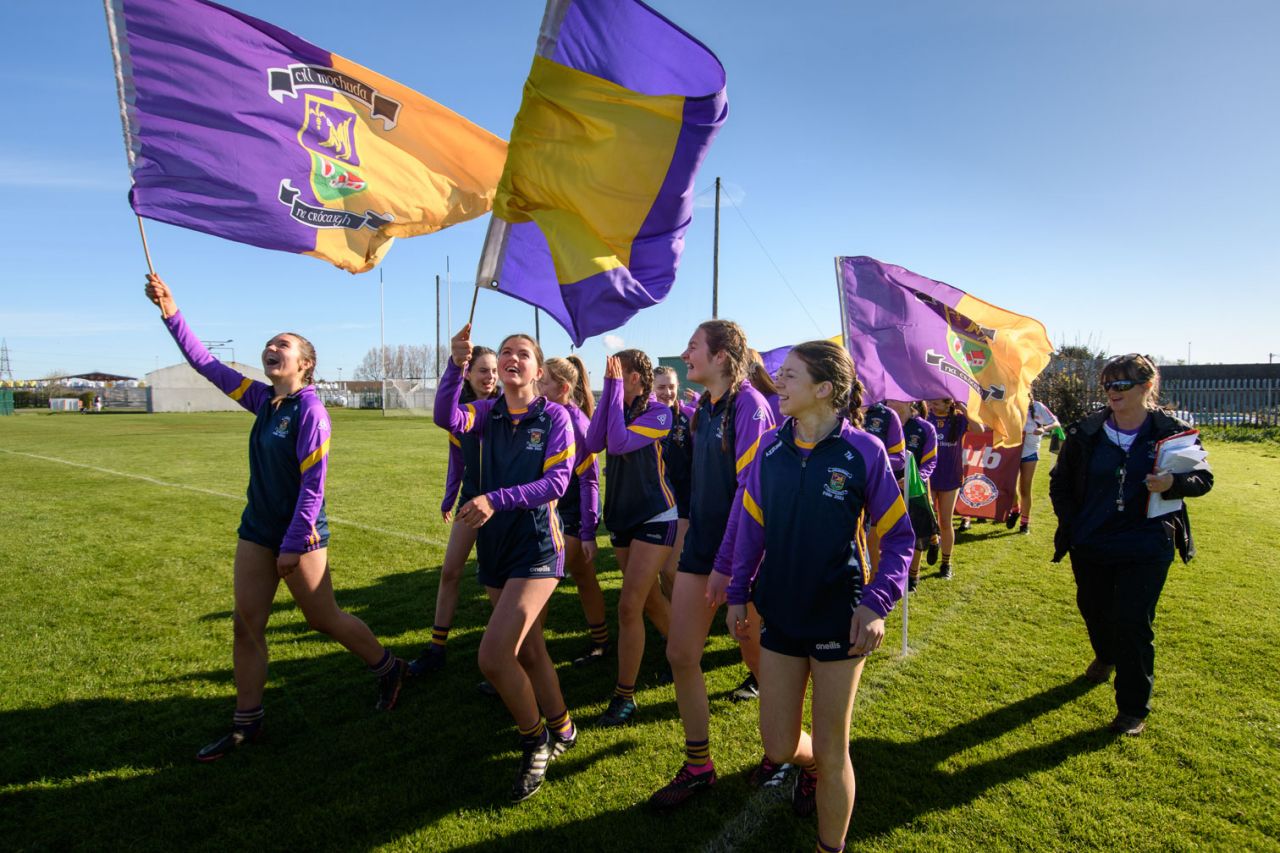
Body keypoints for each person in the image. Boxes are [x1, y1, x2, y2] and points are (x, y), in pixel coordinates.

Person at [143, 274, 406, 763]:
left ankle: (388, 666)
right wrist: (171, 312)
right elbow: (204, 363)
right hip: (257, 530)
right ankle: (248, 722)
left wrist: (293, 542)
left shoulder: (311, 412)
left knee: (321, 618)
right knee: (247, 625)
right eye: (268, 344)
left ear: (304, 364)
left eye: (281, 345)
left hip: (298, 536)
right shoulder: (262, 400)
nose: (270, 348)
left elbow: (314, 487)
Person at [725, 340, 913, 853]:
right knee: (779, 745)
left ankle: (830, 847)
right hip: (780, 612)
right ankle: (802, 769)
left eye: (789, 375)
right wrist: (738, 592)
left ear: (824, 389)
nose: (777, 382)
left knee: (834, 750)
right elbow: (751, 528)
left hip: (840, 617)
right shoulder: (769, 447)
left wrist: (877, 602)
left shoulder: (865, 452)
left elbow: (899, 537)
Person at [434, 324, 579, 801]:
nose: (513, 358)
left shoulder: (556, 417)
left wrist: (495, 498)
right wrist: (456, 366)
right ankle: (563, 727)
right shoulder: (483, 412)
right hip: (493, 549)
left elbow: (556, 484)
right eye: (506, 353)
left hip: (536, 549)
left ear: (538, 371)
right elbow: (445, 418)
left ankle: (534, 740)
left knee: (494, 656)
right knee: (530, 650)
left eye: (523, 354)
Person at [1049, 353, 1212, 736]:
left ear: (1146, 386)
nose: (1112, 392)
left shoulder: (1174, 432)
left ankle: (1133, 708)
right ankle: (1105, 656)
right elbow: (1060, 483)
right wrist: (1071, 525)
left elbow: (1203, 479)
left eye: (1121, 385)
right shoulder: (1085, 432)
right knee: (1093, 607)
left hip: (1147, 543)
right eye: (1107, 385)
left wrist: (1174, 484)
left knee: (1133, 621)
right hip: (1092, 541)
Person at [650, 320, 774, 809]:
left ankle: (788, 754)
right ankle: (699, 765)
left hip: (744, 557)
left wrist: (733, 568)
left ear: (722, 356)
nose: (686, 354)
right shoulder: (703, 407)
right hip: (702, 551)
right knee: (681, 655)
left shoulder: (750, 407)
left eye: (694, 347)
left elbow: (752, 495)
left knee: (758, 659)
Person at [584, 350, 675, 726]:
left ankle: (625, 695)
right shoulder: (615, 402)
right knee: (651, 601)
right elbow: (593, 442)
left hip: (656, 514)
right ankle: (684, 652)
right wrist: (609, 392)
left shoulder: (660, 412)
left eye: (618, 373)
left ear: (635, 377)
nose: (612, 377)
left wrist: (614, 386)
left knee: (628, 607)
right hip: (621, 518)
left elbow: (618, 443)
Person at [409, 346, 499, 677]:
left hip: (502, 505)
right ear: (469, 374)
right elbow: (457, 459)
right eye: (483, 371)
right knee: (450, 572)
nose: (490, 377)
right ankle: (436, 648)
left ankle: (505, 650)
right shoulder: (461, 412)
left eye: (493, 371)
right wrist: (451, 498)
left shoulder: (505, 408)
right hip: (471, 499)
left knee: (495, 580)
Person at [538, 356, 609, 665]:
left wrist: (588, 530)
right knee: (582, 577)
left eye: (544, 382)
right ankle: (602, 642)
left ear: (563, 387)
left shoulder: (575, 420)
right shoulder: (549, 413)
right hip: (555, 511)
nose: (537, 386)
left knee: (538, 580)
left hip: (571, 515)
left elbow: (589, 480)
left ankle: (526, 653)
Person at [925, 397, 981, 579]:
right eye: (931, 403)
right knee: (927, 518)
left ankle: (946, 564)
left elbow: (979, 429)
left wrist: (963, 408)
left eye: (936, 403)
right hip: (929, 477)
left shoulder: (958, 419)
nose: (932, 405)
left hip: (950, 477)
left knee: (945, 522)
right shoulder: (927, 418)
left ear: (949, 404)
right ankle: (934, 541)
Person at [887, 400, 938, 592]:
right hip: (887, 486)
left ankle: (913, 575)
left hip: (914, 488)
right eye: (890, 399)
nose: (892, 403)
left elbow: (930, 461)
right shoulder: (883, 422)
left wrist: (914, 478)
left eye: (898, 399)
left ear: (910, 401)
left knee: (915, 531)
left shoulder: (925, 428)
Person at [653, 365, 694, 603]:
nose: (667, 392)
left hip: (683, 504)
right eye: (661, 387)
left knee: (671, 569)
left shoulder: (688, 417)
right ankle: (672, 619)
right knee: (661, 570)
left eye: (671, 386)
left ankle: (682, 616)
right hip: (655, 504)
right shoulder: (646, 418)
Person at [1007, 392, 1060, 535]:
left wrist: (1043, 429)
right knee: (1009, 487)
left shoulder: (1038, 406)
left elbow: (1055, 423)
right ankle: (1015, 509)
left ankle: (1025, 523)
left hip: (1030, 451)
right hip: (1011, 451)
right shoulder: (1009, 405)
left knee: (1025, 487)